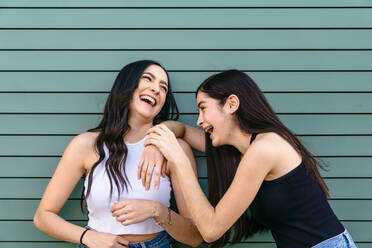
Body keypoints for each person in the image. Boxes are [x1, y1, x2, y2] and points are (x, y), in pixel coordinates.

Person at [142, 70, 357, 248]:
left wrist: (179, 161)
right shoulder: (245, 149)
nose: (199, 120)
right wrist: (153, 144)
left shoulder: (264, 149)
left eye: (203, 108)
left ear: (232, 104)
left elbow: (210, 230)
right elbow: (180, 130)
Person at [33, 60, 202, 248]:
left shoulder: (174, 149)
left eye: (163, 88)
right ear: (127, 85)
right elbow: (43, 216)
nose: (156, 89)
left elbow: (194, 237)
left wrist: (158, 211)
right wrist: (88, 237)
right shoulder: (86, 145)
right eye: (148, 79)